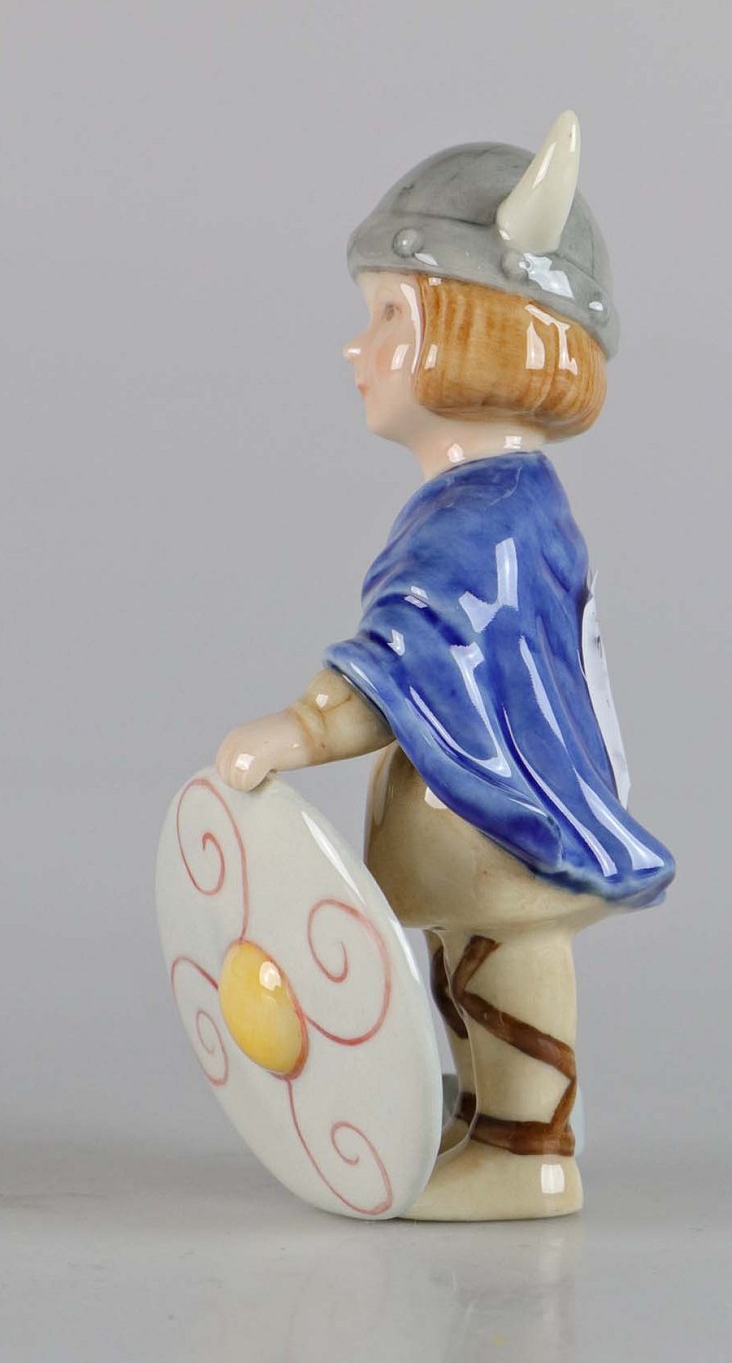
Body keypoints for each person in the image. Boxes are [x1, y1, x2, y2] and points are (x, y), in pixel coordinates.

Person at [215, 112, 674, 1220]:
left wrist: (301, 728)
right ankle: (486, 1124)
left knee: (502, 957)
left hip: (501, 809)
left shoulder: (486, 519)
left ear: (479, 331)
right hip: (479, 800)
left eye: (388, 314)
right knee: (465, 965)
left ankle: (526, 1150)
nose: (356, 347)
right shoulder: (488, 501)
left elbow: (414, 647)